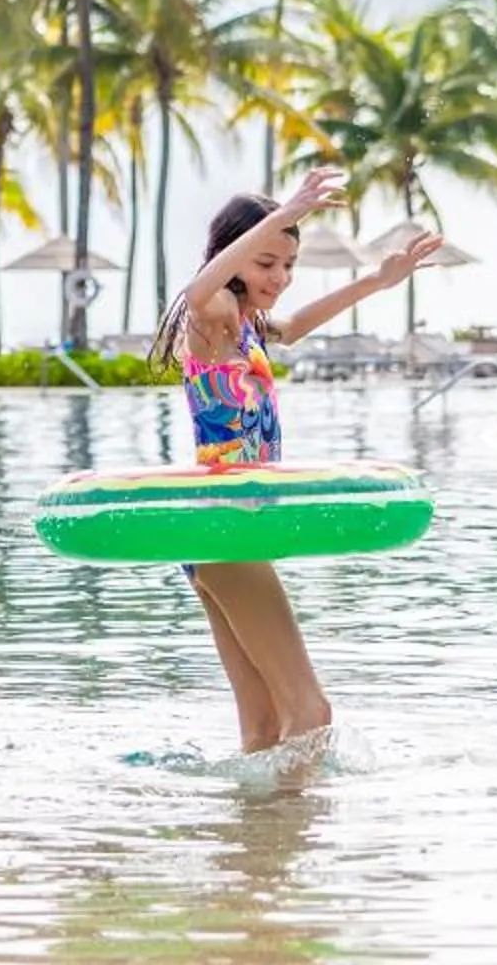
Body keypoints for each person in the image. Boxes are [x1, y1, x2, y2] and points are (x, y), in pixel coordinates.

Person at [152, 168, 441, 754]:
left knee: (262, 726)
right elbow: (195, 293)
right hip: (225, 526)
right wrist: (282, 214)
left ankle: (254, 840)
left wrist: (377, 283)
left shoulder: (249, 327)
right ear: (235, 255)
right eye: (267, 263)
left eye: (288, 265)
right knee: (310, 709)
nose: (280, 277)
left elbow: (297, 326)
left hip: (219, 530)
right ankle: (297, 836)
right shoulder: (213, 320)